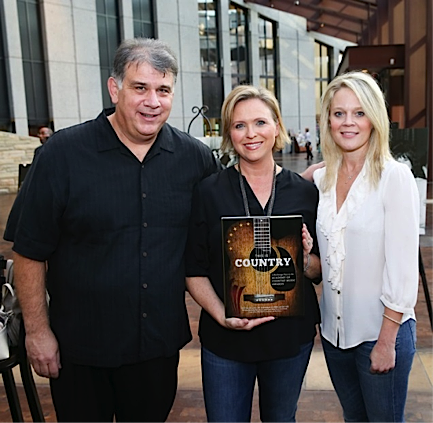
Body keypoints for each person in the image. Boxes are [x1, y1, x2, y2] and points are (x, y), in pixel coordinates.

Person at [3, 38, 218, 423]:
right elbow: (29, 250)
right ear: (115, 88)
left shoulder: (196, 159)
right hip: (80, 351)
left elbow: (223, 228)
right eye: (140, 87)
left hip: (156, 351)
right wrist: (37, 331)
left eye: (163, 90)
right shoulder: (62, 155)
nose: (153, 101)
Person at [185, 85, 321, 423]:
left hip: (289, 339)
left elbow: (317, 272)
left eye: (260, 122)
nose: (250, 134)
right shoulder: (208, 192)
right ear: (229, 133)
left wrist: (304, 258)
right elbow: (193, 269)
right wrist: (221, 315)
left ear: (277, 125)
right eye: (239, 125)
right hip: (226, 340)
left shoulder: (305, 193)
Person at [313, 71, 419, 422]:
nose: (348, 123)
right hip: (334, 334)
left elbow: (403, 269)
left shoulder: (394, 177)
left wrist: (387, 340)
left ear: (375, 118)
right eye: (339, 113)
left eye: (359, 113)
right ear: (328, 118)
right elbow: (275, 184)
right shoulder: (321, 178)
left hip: (379, 333)